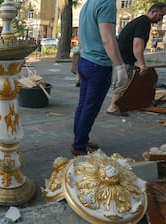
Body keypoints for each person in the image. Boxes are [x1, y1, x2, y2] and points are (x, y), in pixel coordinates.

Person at [71, 0, 127, 156]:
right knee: (90, 108)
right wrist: (120, 66)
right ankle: (79, 146)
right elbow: (107, 39)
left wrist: (80, 61)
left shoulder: (88, 4)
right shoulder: (107, 3)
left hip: (86, 61)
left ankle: (80, 138)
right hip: (99, 65)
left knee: (83, 106)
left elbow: (80, 36)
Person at [106, 2, 166, 116]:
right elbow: (138, 45)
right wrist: (143, 64)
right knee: (123, 82)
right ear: (153, 12)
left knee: (124, 81)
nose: (160, 18)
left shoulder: (140, 21)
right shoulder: (144, 23)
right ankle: (112, 107)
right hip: (124, 58)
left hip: (121, 56)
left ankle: (118, 105)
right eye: (160, 15)